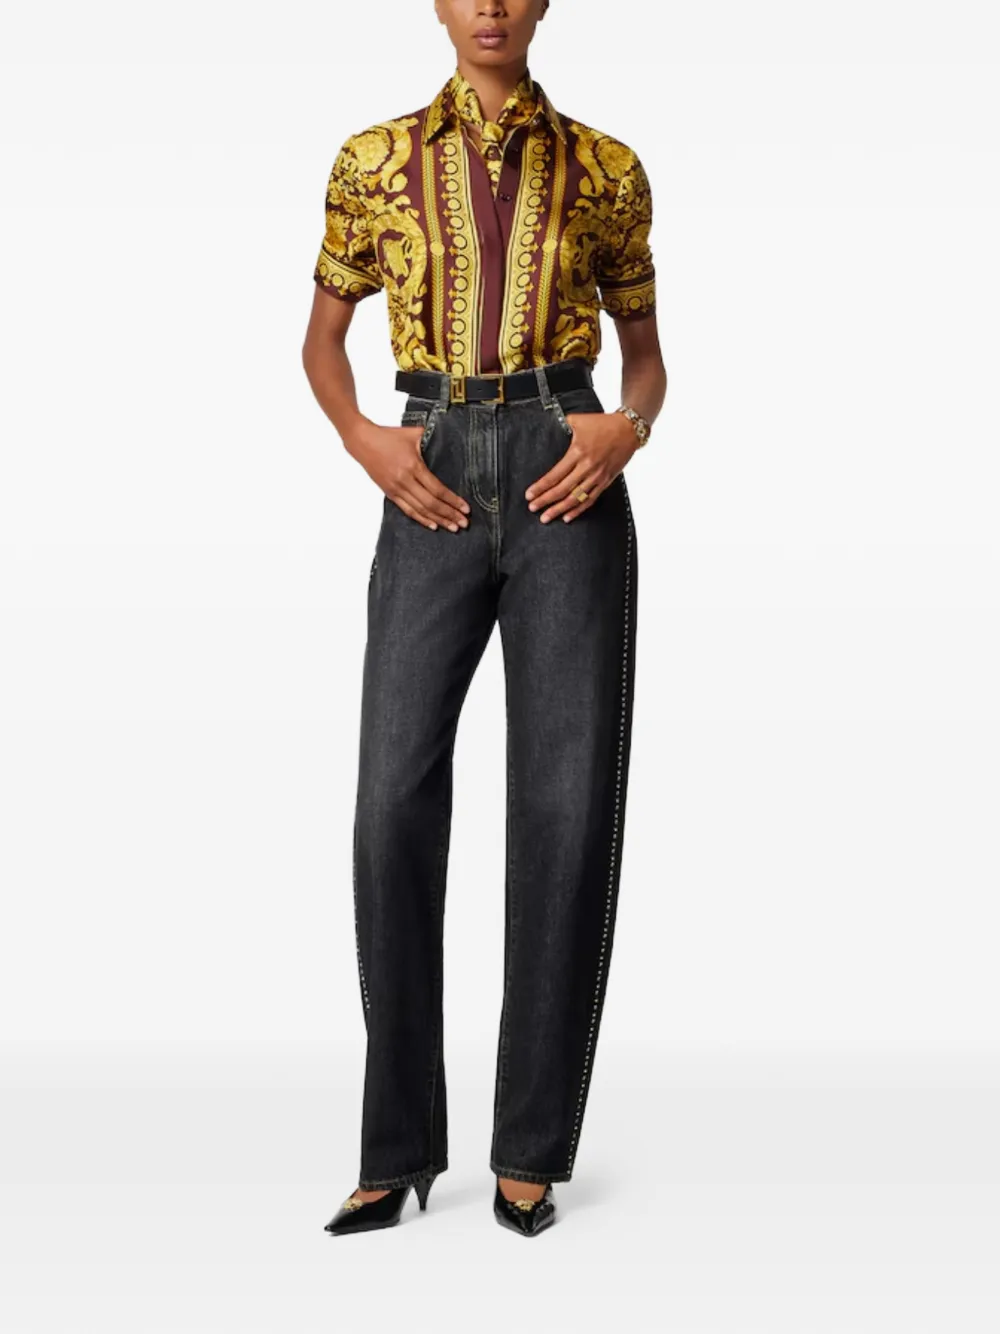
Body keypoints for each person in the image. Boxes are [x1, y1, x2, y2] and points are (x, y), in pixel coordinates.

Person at [302, 0, 667, 1239]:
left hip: (570, 471)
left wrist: (626, 427)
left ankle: (529, 1149)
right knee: (390, 803)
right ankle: (396, 1145)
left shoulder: (607, 167)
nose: (492, 5)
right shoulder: (372, 159)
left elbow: (647, 356)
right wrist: (365, 439)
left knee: (563, 808)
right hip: (432, 467)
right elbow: (322, 342)